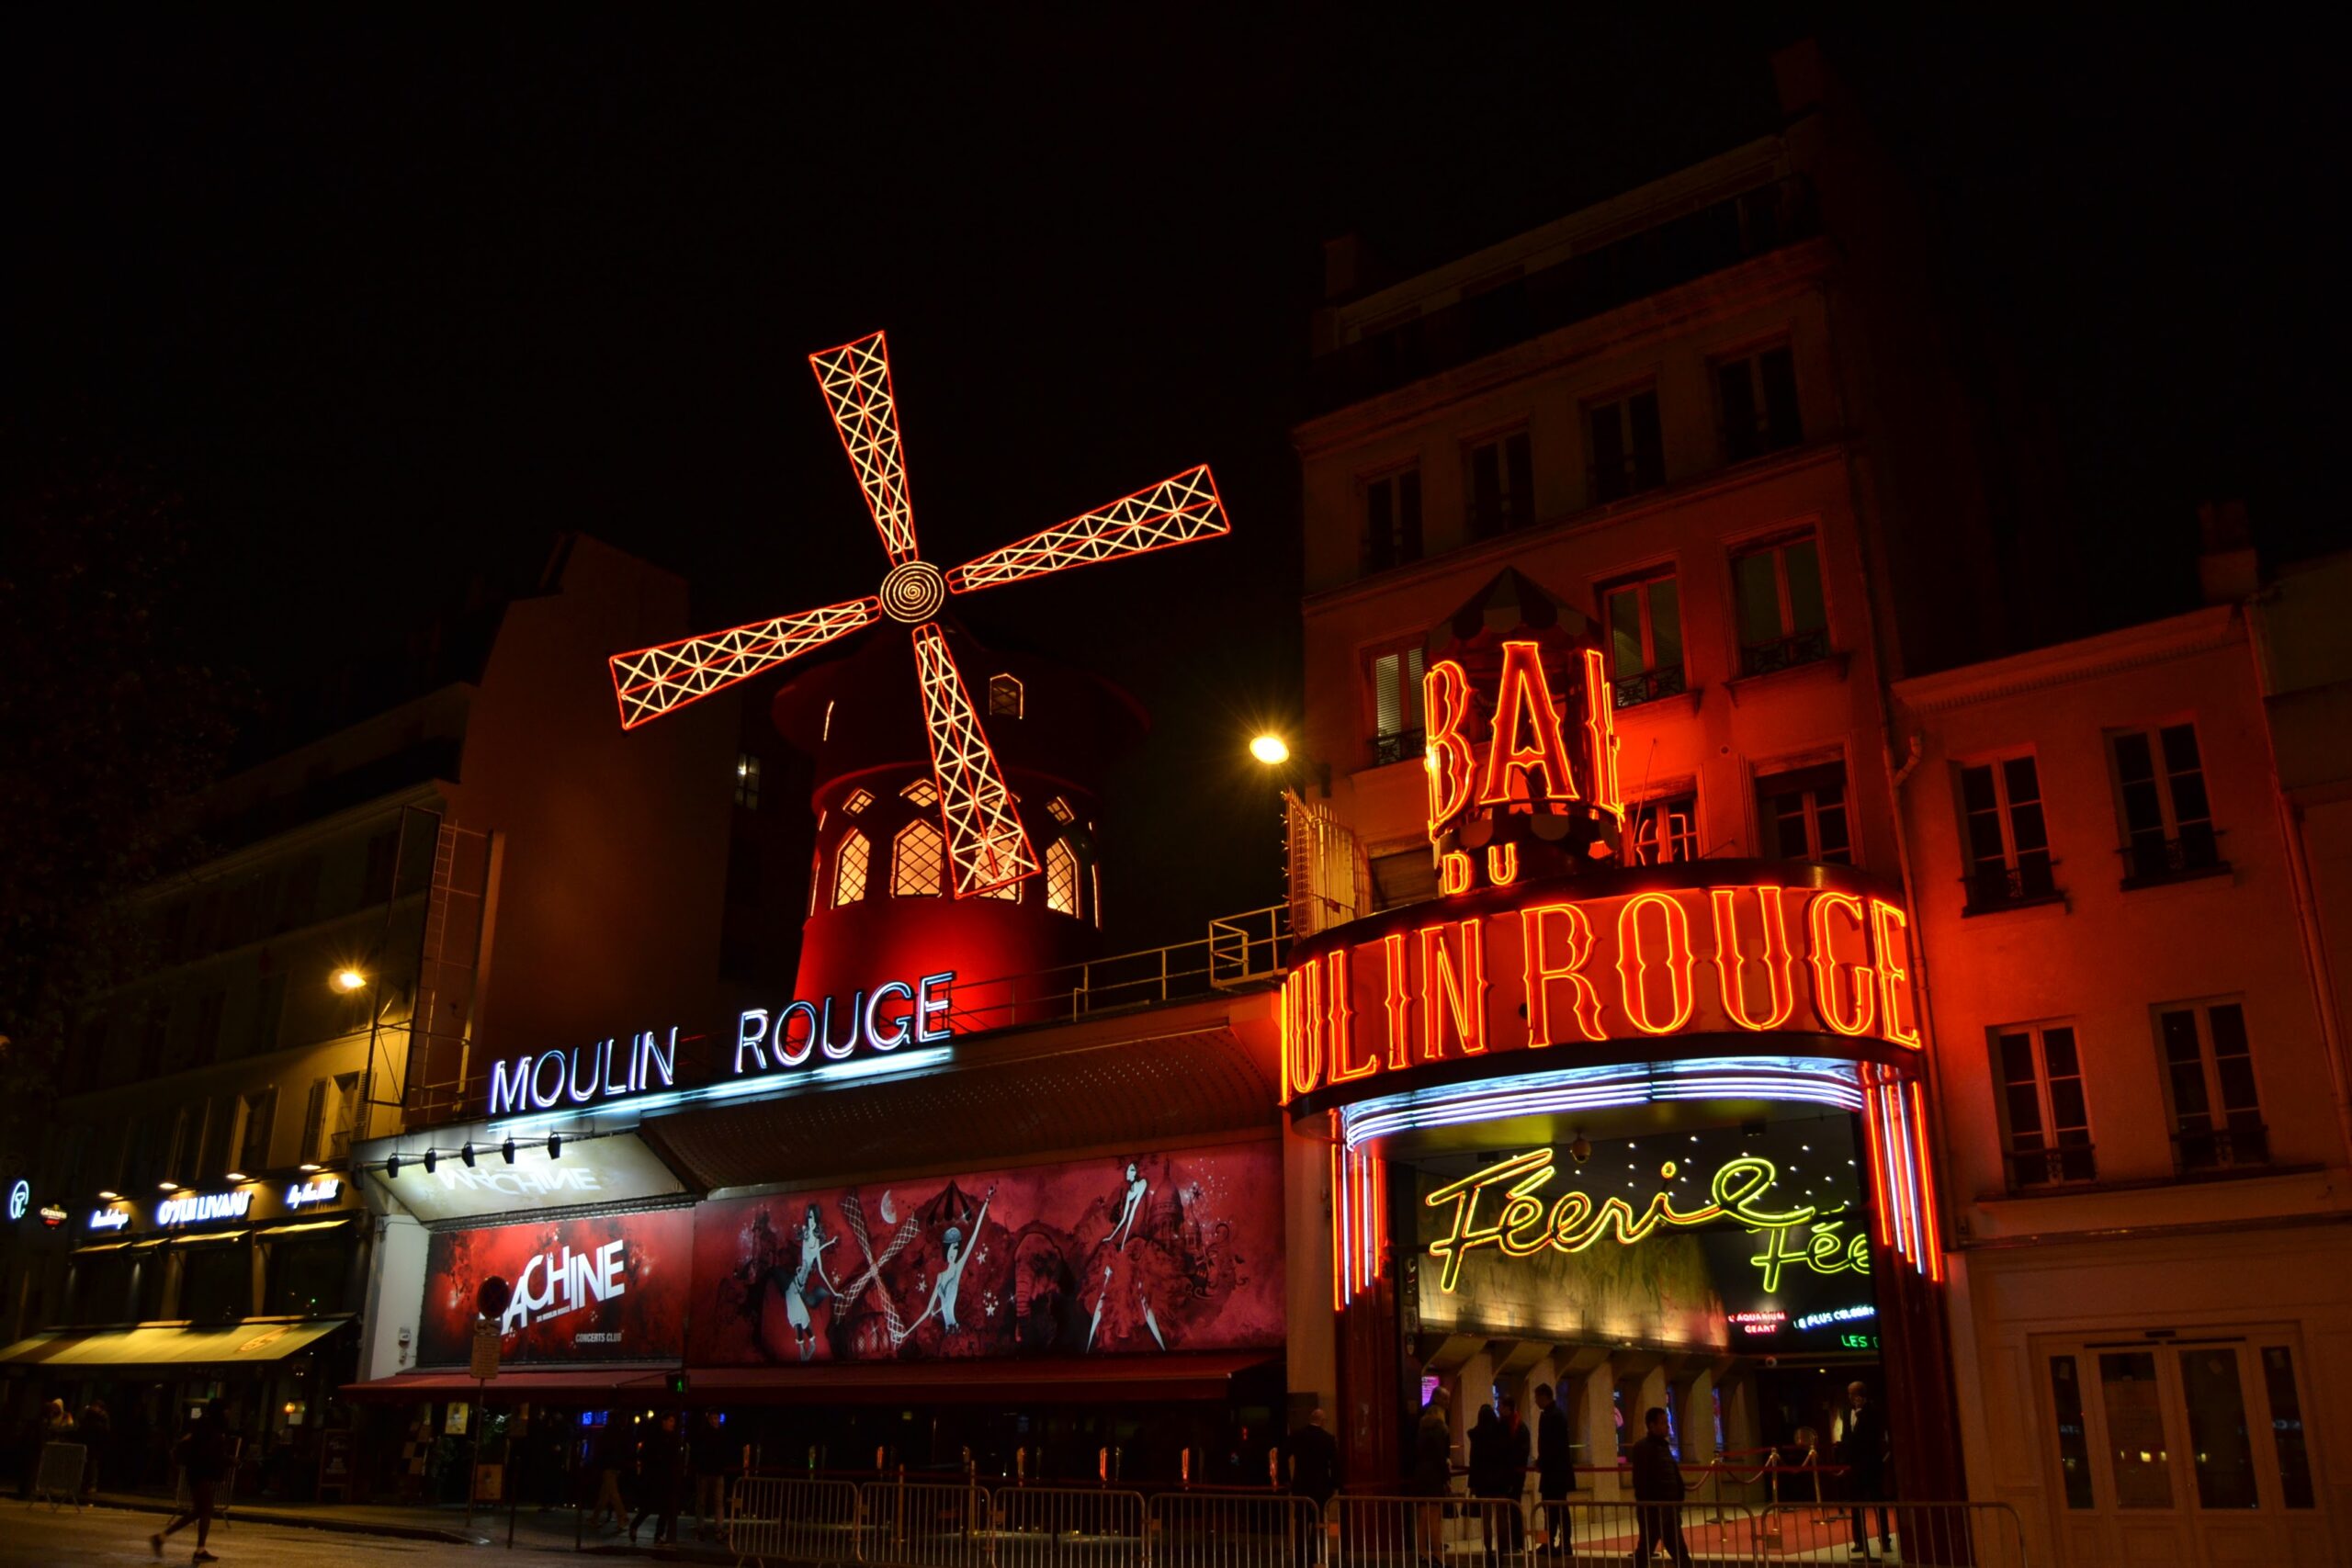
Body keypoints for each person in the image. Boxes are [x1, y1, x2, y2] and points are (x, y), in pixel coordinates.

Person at [153, 1403, 229, 1564]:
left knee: (199, 1511)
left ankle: (161, 1537)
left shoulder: (203, 1427)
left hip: (197, 1472)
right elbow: (208, 1452)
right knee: (206, 1509)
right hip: (200, 1472)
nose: (229, 1414)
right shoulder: (210, 1429)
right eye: (227, 1411)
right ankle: (199, 1549)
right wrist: (226, 1461)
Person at [1624, 1407, 1691, 1568]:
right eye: (1663, 1423)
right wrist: (1650, 1505)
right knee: (1647, 1549)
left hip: (1669, 1507)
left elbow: (1672, 1475)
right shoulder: (1643, 1448)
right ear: (1652, 1425)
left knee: (1678, 1550)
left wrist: (1677, 1498)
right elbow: (1641, 1480)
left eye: (1666, 1422)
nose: (1667, 1426)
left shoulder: (1663, 1447)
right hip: (1654, 1509)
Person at [1466, 1399, 1528, 1565]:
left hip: (1483, 1484)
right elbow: (1508, 1458)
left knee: (1486, 1520)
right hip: (1500, 1481)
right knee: (1501, 1518)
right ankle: (1501, 1552)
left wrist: (1472, 1484)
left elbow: (1474, 1462)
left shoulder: (1476, 1435)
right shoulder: (1502, 1431)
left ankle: (1488, 1552)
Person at [1836, 1382, 1892, 1561]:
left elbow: (1872, 1434)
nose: (1851, 1397)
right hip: (1854, 1464)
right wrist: (1844, 1462)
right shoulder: (1846, 1411)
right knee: (1855, 1503)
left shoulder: (1872, 1410)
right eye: (1849, 1394)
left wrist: (1861, 1412)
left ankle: (1885, 1539)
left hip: (1871, 1463)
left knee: (1878, 1501)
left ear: (1861, 1394)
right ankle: (1859, 1541)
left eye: (1854, 1394)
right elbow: (1846, 1436)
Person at [1284, 1407, 1340, 1567]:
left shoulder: (1297, 1436)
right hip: (1321, 1488)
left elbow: (1283, 1455)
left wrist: (1286, 1479)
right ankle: (1315, 1557)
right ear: (1322, 1422)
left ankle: (1300, 1559)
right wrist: (1335, 1483)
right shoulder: (1328, 1439)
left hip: (1301, 1487)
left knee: (1300, 1524)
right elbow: (1335, 1464)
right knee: (1319, 1525)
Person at [1409, 1383, 1454, 1567]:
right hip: (1434, 1476)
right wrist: (1446, 1479)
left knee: (1422, 1515)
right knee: (1435, 1515)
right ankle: (1437, 1553)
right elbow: (1441, 1457)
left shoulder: (1421, 1428)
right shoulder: (1441, 1430)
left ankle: (1422, 1551)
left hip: (1421, 1474)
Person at [629, 1412, 684, 1546]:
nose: (672, 1424)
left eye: (673, 1421)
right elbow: (645, 1455)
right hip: (655, 1476)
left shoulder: (671, 1438)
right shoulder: (656, 1437)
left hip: (665, 1476)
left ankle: (657, 1535)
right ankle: (638, 1526)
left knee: (663, 1508)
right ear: (663, 1422)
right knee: (650, 1506)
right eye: (670, 1421)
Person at [1532, 1383, 1571, 1555]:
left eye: (1537, 1397)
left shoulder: (1552, 1416)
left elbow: (1551, 1446)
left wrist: (1541, 1462)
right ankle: (1551, 1543)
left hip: (1555, 1472)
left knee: (1557, 1510)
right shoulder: (1553, 1415)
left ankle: (1561, 1544)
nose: (1535, 1401)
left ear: (1543, 1396)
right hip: (1555, 1471)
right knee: (1551, 1509)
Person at [689, 1410, 732, 1542]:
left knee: (707, 1502)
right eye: (713, 1418)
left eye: (716, 1418)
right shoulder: (718, 1434)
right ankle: (714, 1529)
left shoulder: (704, 1433)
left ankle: (706, 1529)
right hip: (711, 1471)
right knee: (712, 1502)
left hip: (709, 1471)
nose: (715, 1421)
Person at [587, 1419, 628, 1534]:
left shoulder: (605, 1436)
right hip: (615, 1466)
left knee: (609, 1493)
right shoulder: (620, 1435)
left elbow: (600, 1452)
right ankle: (619, 1518)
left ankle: (622, 1517)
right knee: (608, 1493)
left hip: (607, 1466)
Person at [78, 1398, 112, 1503]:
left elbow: (105, 1431)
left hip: (96, 1444)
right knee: (86, 1463)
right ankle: (84, 1483)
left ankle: (91, 1484)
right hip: (88, 1442)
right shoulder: (89, 1416)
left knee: (92, 1464)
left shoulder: (102, 1417)